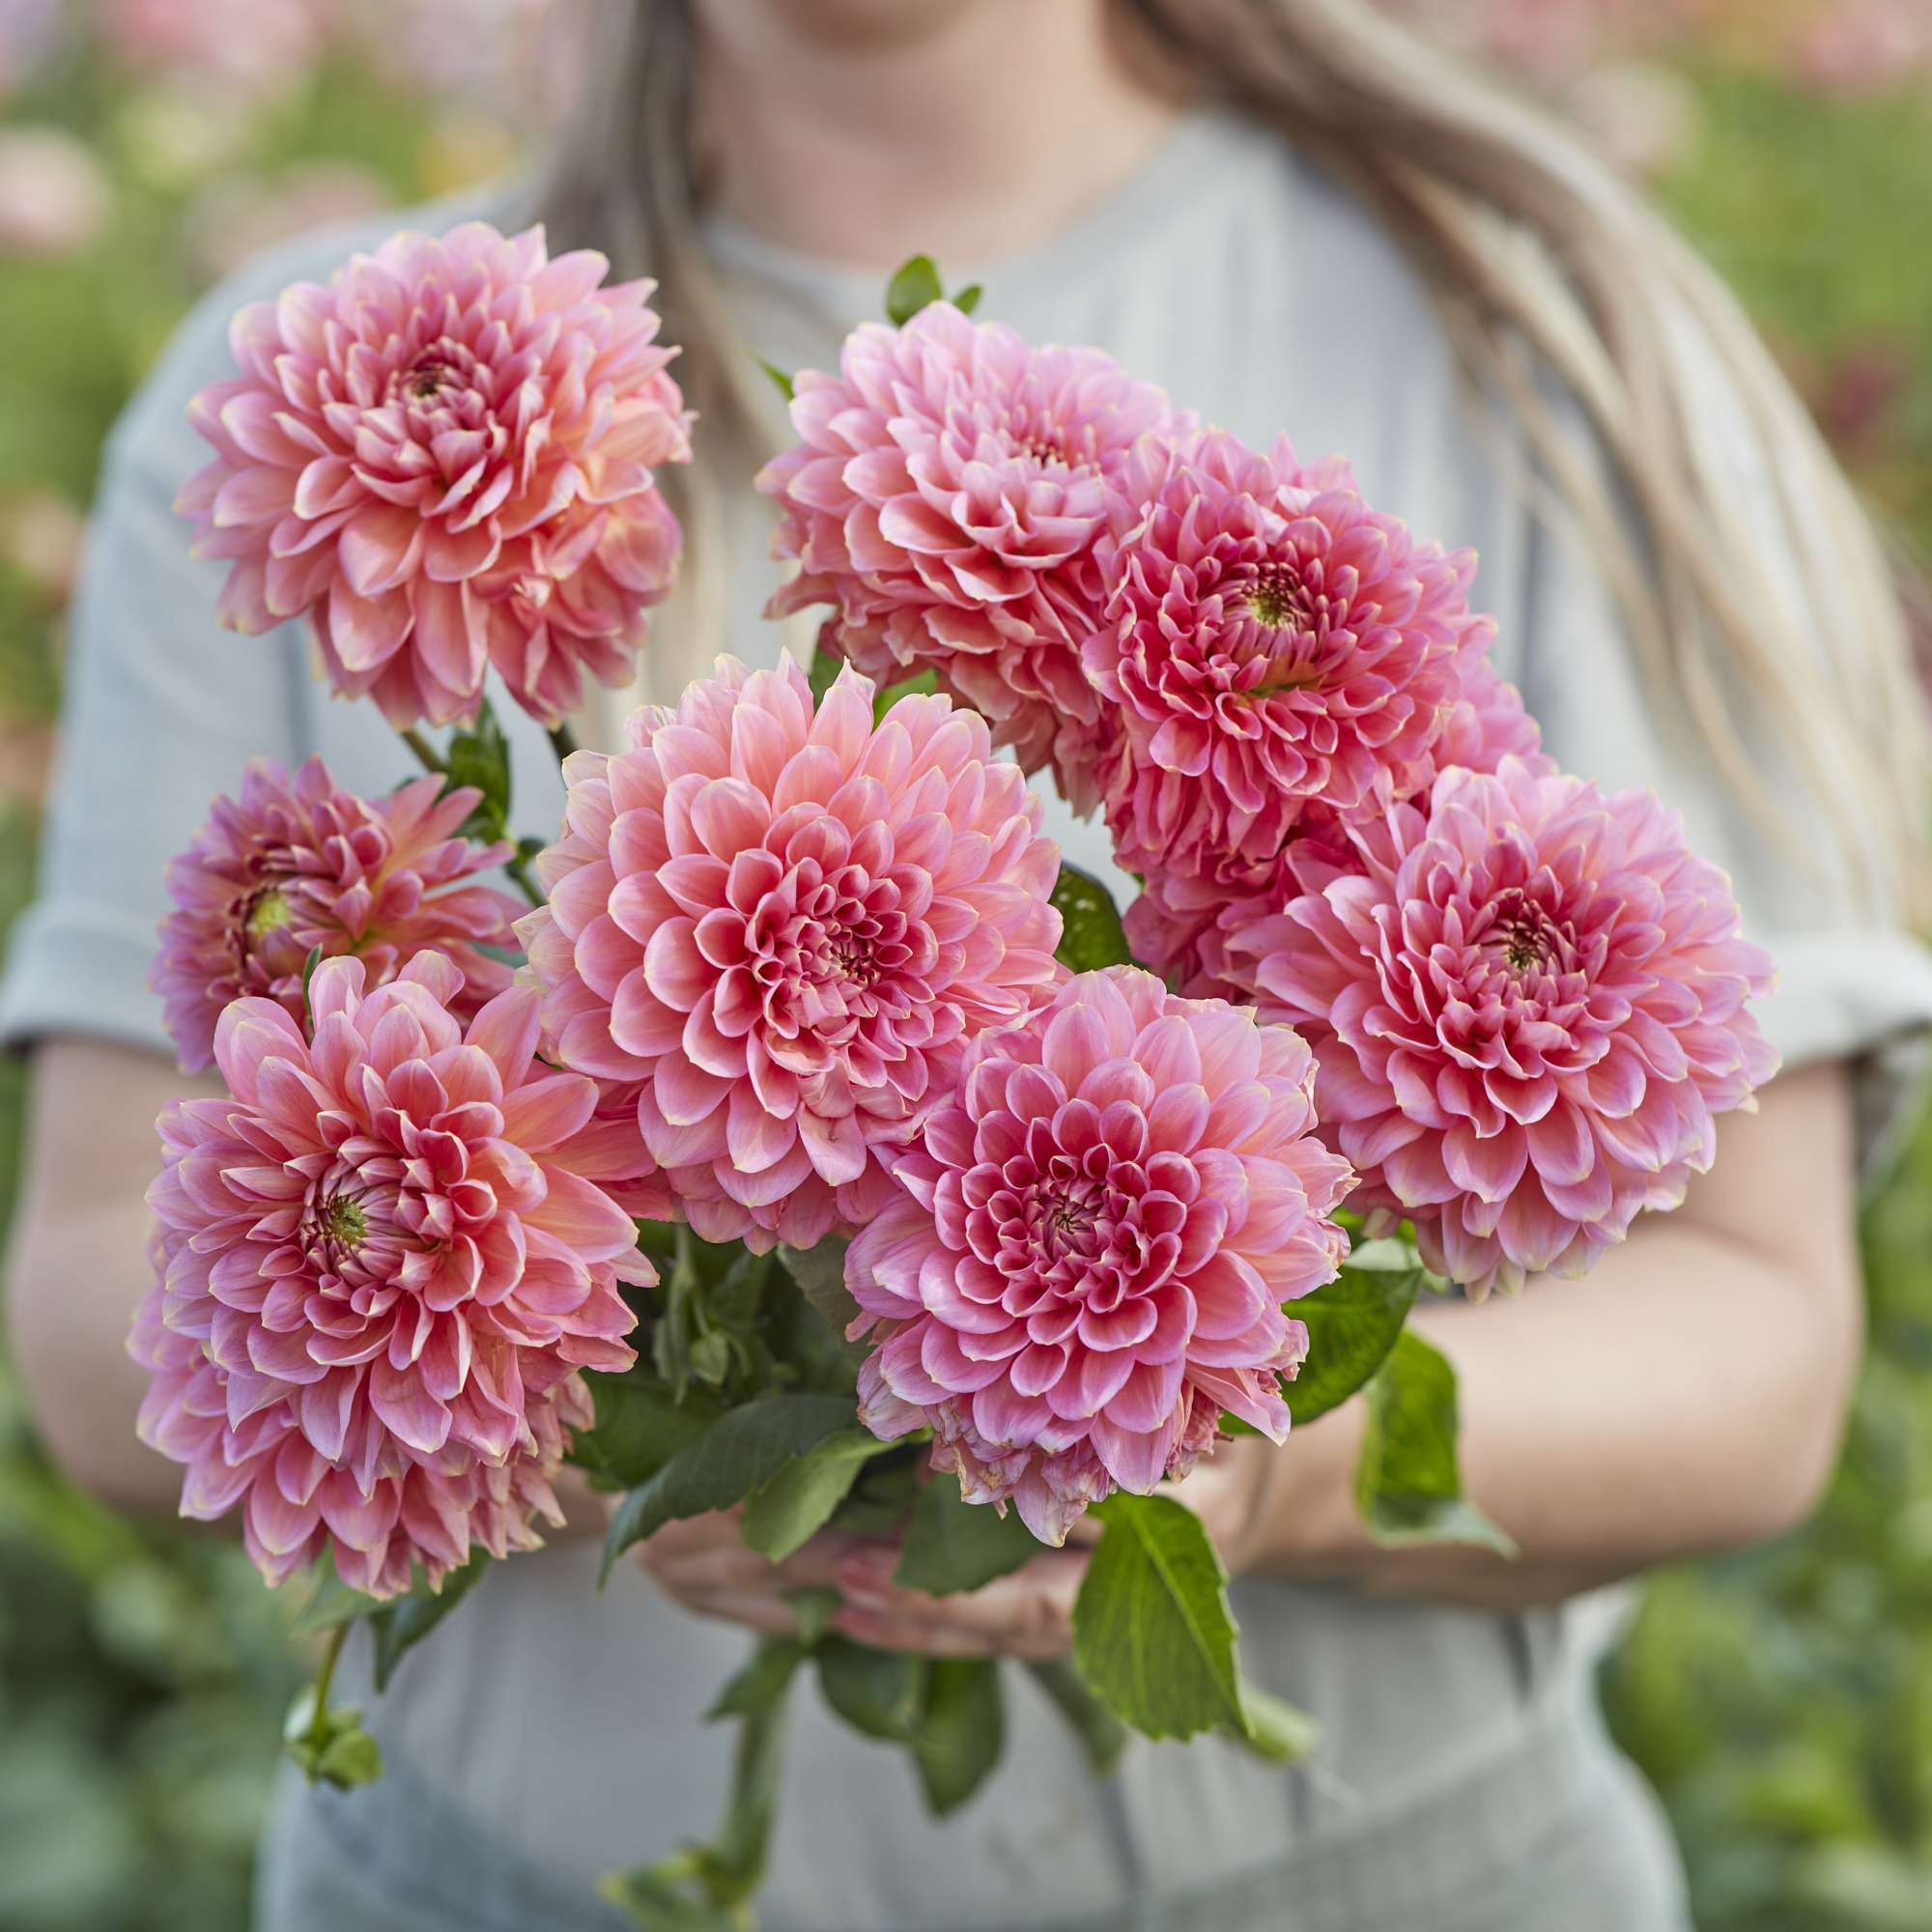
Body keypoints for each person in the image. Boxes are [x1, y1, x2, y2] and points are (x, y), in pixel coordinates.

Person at [7, 3, 1931, 1928]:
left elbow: (1760, 1333)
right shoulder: (277, 378)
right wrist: (611, 1426)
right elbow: (106, 1308)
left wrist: (1263, 1463)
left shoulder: (1548, 321)